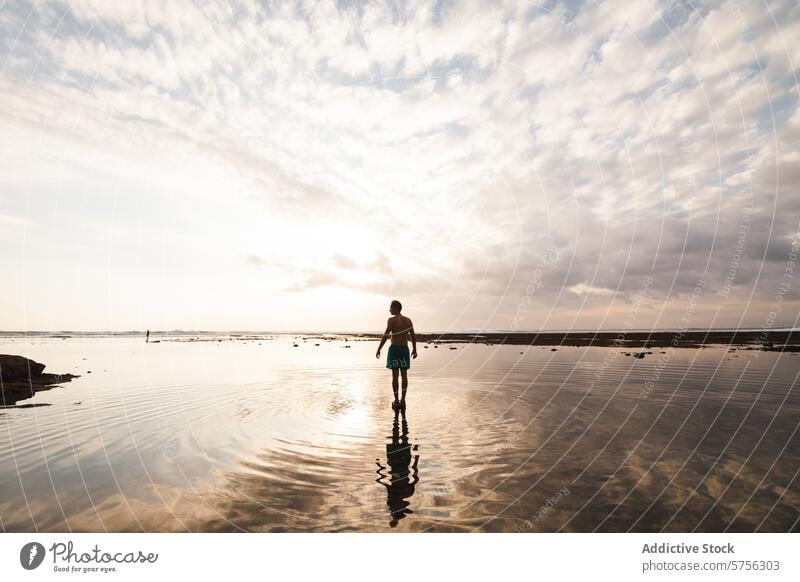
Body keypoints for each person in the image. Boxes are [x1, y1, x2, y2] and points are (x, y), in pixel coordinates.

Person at [375, 299, 417, 410]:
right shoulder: (408, 320)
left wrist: (379, 348)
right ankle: (403, 400)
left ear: (396, 308)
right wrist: (415, 349)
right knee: (404, 375)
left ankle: (397, 400)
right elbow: (413, 336)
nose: (389, 310)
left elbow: (385, 335)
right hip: (404, 349)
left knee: (395, 376)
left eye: (391, 307)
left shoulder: (391, 320)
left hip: (394, 350)